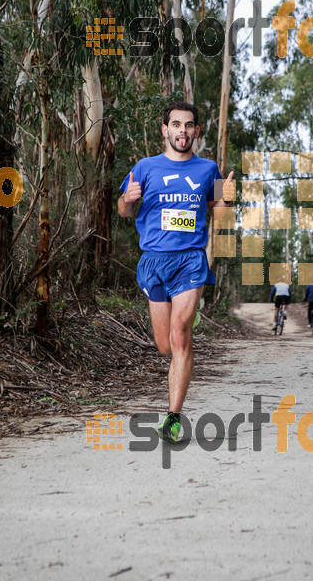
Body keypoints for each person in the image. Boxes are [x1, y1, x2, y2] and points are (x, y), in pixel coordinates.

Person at [118, 101, 234, 443]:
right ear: (165, 130)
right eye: (176, 125)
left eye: (189, 125)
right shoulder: (144, 167)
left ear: (197, 131)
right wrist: (127, 198)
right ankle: (182, 321)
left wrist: (225, 201)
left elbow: (221, 217)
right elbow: (124, 211)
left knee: (180, 334)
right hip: (154, 261)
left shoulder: (207, 168)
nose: (182, 131)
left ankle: (173, 418)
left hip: (190, 260)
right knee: (165, 346)